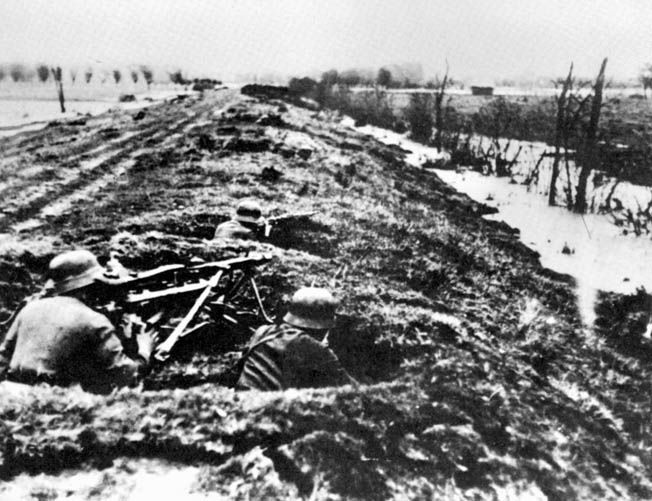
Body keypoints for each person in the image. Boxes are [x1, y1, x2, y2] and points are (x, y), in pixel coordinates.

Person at [0, 250, 156, 393]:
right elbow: (125, 376)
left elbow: (3, 357)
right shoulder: (94, 321)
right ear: (90, 286)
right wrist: (144, 351)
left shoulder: (30, 309)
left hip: (11, 394)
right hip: (56, 400)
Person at [236, 287, 357, 391]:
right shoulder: (313, 347)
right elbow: (352, 389)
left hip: (240, 403)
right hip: (268, 408)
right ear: (322, 327)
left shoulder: (262, 332)